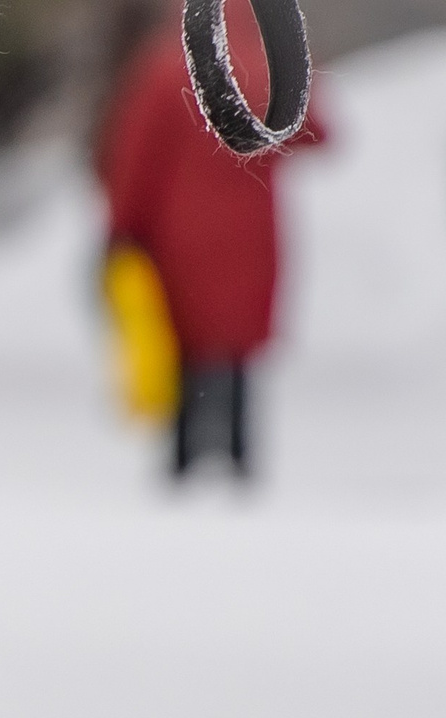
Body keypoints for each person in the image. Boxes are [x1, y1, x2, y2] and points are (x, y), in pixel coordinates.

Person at [100, 2, 324, 480]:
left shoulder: (163, 67)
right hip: (253, 242)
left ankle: (183, 461)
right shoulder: (268, 60)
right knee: (238, 355)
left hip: (179, 241)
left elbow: (133, 160)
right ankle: (241, 461)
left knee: (185, 349)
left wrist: (122, 229)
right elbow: (317, 130)